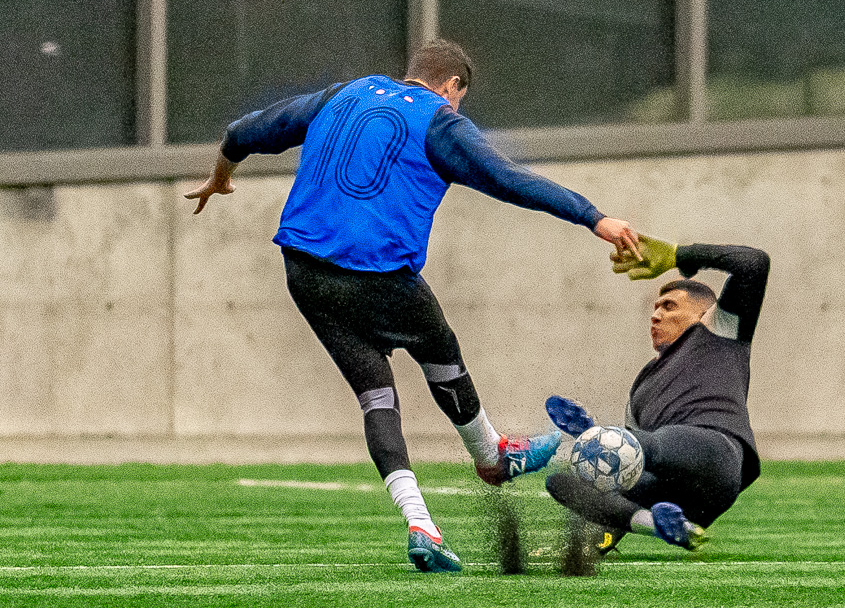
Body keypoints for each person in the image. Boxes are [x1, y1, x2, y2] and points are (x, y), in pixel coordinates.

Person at [185, 39, 640, 573]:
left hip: (304, 269)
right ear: (452, 87)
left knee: (376, 397)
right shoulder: (440, 122)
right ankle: (492, 456)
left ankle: (421, 525)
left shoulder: (343, 93)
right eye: (458, 99)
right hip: (376, 274)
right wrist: (595, 218)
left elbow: (243, 132)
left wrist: (221, 177)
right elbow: (508, 179)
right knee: (440, 348)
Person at [490, 235, 769, 554]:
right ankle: (660, 527)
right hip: (685, 500)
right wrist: (593, 542)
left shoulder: (719, 332)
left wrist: (680, 255)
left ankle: (576, 440)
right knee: (564, 484)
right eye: (654, 308)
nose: (655, 315)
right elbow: (627, 468)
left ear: (703, 313)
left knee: (628, 443)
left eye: (669, 306)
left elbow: (754, 264)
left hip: (715, 458)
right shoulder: (641, 388)